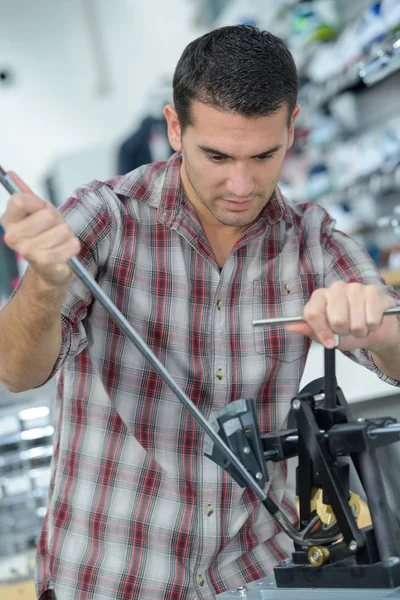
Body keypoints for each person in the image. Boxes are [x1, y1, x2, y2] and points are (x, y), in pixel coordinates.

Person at [1, 24, 400, 600]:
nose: (241, 184)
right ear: (173, 128)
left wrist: (377, 318)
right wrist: (45, 282)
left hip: (252, 578)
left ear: (291, 131)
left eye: (264, 155)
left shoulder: (312, 238)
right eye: (217, 155)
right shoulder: (105, 216)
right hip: (107, 577)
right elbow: (15, 372)